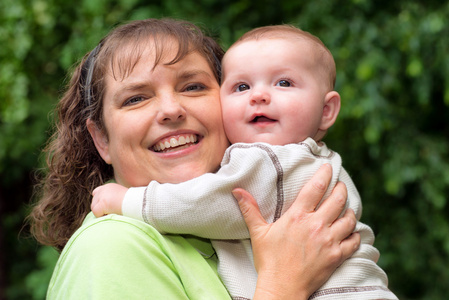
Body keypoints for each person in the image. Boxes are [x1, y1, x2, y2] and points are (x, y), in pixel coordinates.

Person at [29, 19, 362, 299]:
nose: (172, 110)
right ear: (102, 139)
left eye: (192, 87)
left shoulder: (238, 227)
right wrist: (283, 286)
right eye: (136, 98)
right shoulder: (112, 248)